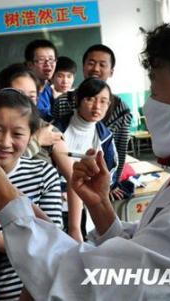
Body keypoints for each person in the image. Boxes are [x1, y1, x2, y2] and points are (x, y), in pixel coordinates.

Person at [0, 12, 170, 300]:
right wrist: (101, 207)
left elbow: (87, 286)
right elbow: (142, 253)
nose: (149, 106)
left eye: (157, 93)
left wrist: (7, 202)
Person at [0, 89, 62, 300]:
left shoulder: (43, 175)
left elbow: (50, 245)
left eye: (17, 134)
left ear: (32, 136)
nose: (5, 142)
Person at [0, 63, 86, 240]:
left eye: (32, 96)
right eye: (18, 96)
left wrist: (75, 229)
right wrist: (35, 142)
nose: (26, 104)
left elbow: (75, 179)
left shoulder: (49, 132)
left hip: (44, 228)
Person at [53, 44, 132, 185]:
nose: (95, 69)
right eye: (91, 63)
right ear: (83, 66)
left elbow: (119, 151)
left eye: (102, 65)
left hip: (96, 179)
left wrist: (112, 185)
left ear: (111, 71)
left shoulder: (122, 110)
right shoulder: (63, 101)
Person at [54, 77, 118, 239]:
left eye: (103, 101)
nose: (97, 107)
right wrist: (60, 189)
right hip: (56, 203)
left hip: (88, 203)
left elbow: (109, 171)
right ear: (78, 99)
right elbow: (44, 166)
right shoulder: (57, 129)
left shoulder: (105, 136)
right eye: (90, 99)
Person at [24, 39, 57, 122]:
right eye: (41, 60)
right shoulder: (26, 93)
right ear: (30, 65)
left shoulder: (49, 89)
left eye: (51, 59)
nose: (48, 64)